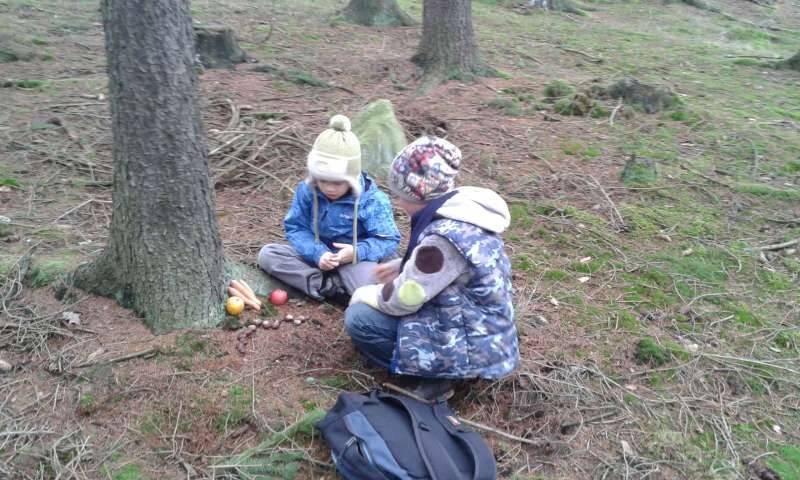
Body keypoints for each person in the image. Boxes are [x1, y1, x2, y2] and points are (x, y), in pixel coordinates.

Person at [345, 136, 519, 400]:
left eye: (400, 196)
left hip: (471, 347)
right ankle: (446, 369)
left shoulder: (441, 240)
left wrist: (368, 295)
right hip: (486, 334)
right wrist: (402, 265)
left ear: (416, 195)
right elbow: (451, 269)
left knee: (359, 319)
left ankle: (435, 378)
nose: (399, 203)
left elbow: (404, 298)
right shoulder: (464, 215)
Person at [258, 115, 401, 303]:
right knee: (268, 255)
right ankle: (326, 286)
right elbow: (296, 227)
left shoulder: (372, 200)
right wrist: (318, 253)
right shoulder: (307, 191)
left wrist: (357, 252)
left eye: (338, 183)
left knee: (368, 291)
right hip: (318, 255)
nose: (329, 188)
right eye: (323, 180)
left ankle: (345, 285)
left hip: (355, 259)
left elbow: (389, 239)